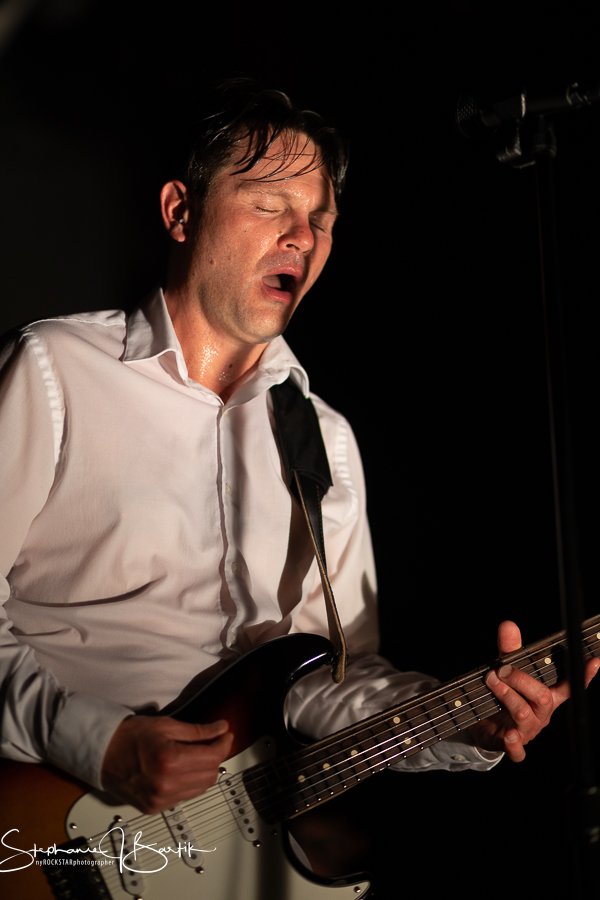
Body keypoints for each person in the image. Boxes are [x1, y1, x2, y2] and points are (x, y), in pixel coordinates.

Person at [0, 75, 598, 886]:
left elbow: (327, 683)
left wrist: (467, 725)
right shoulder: (54, 371)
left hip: (216, 862)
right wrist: (94, 740)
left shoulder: (324, 439)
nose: (302, 237)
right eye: (270, 205)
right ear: (180, 211)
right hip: (43, 824)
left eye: (322, 219)